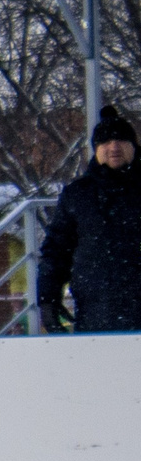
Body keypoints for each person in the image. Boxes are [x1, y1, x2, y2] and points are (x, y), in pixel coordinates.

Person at [38, 105, 141, 334]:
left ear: (133, 146)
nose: (114, 147)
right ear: (96, 149)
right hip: (96, 311)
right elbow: (56, 251)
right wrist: (48, 299)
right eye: (106, 142)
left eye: (121, 140)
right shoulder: (78, 194)